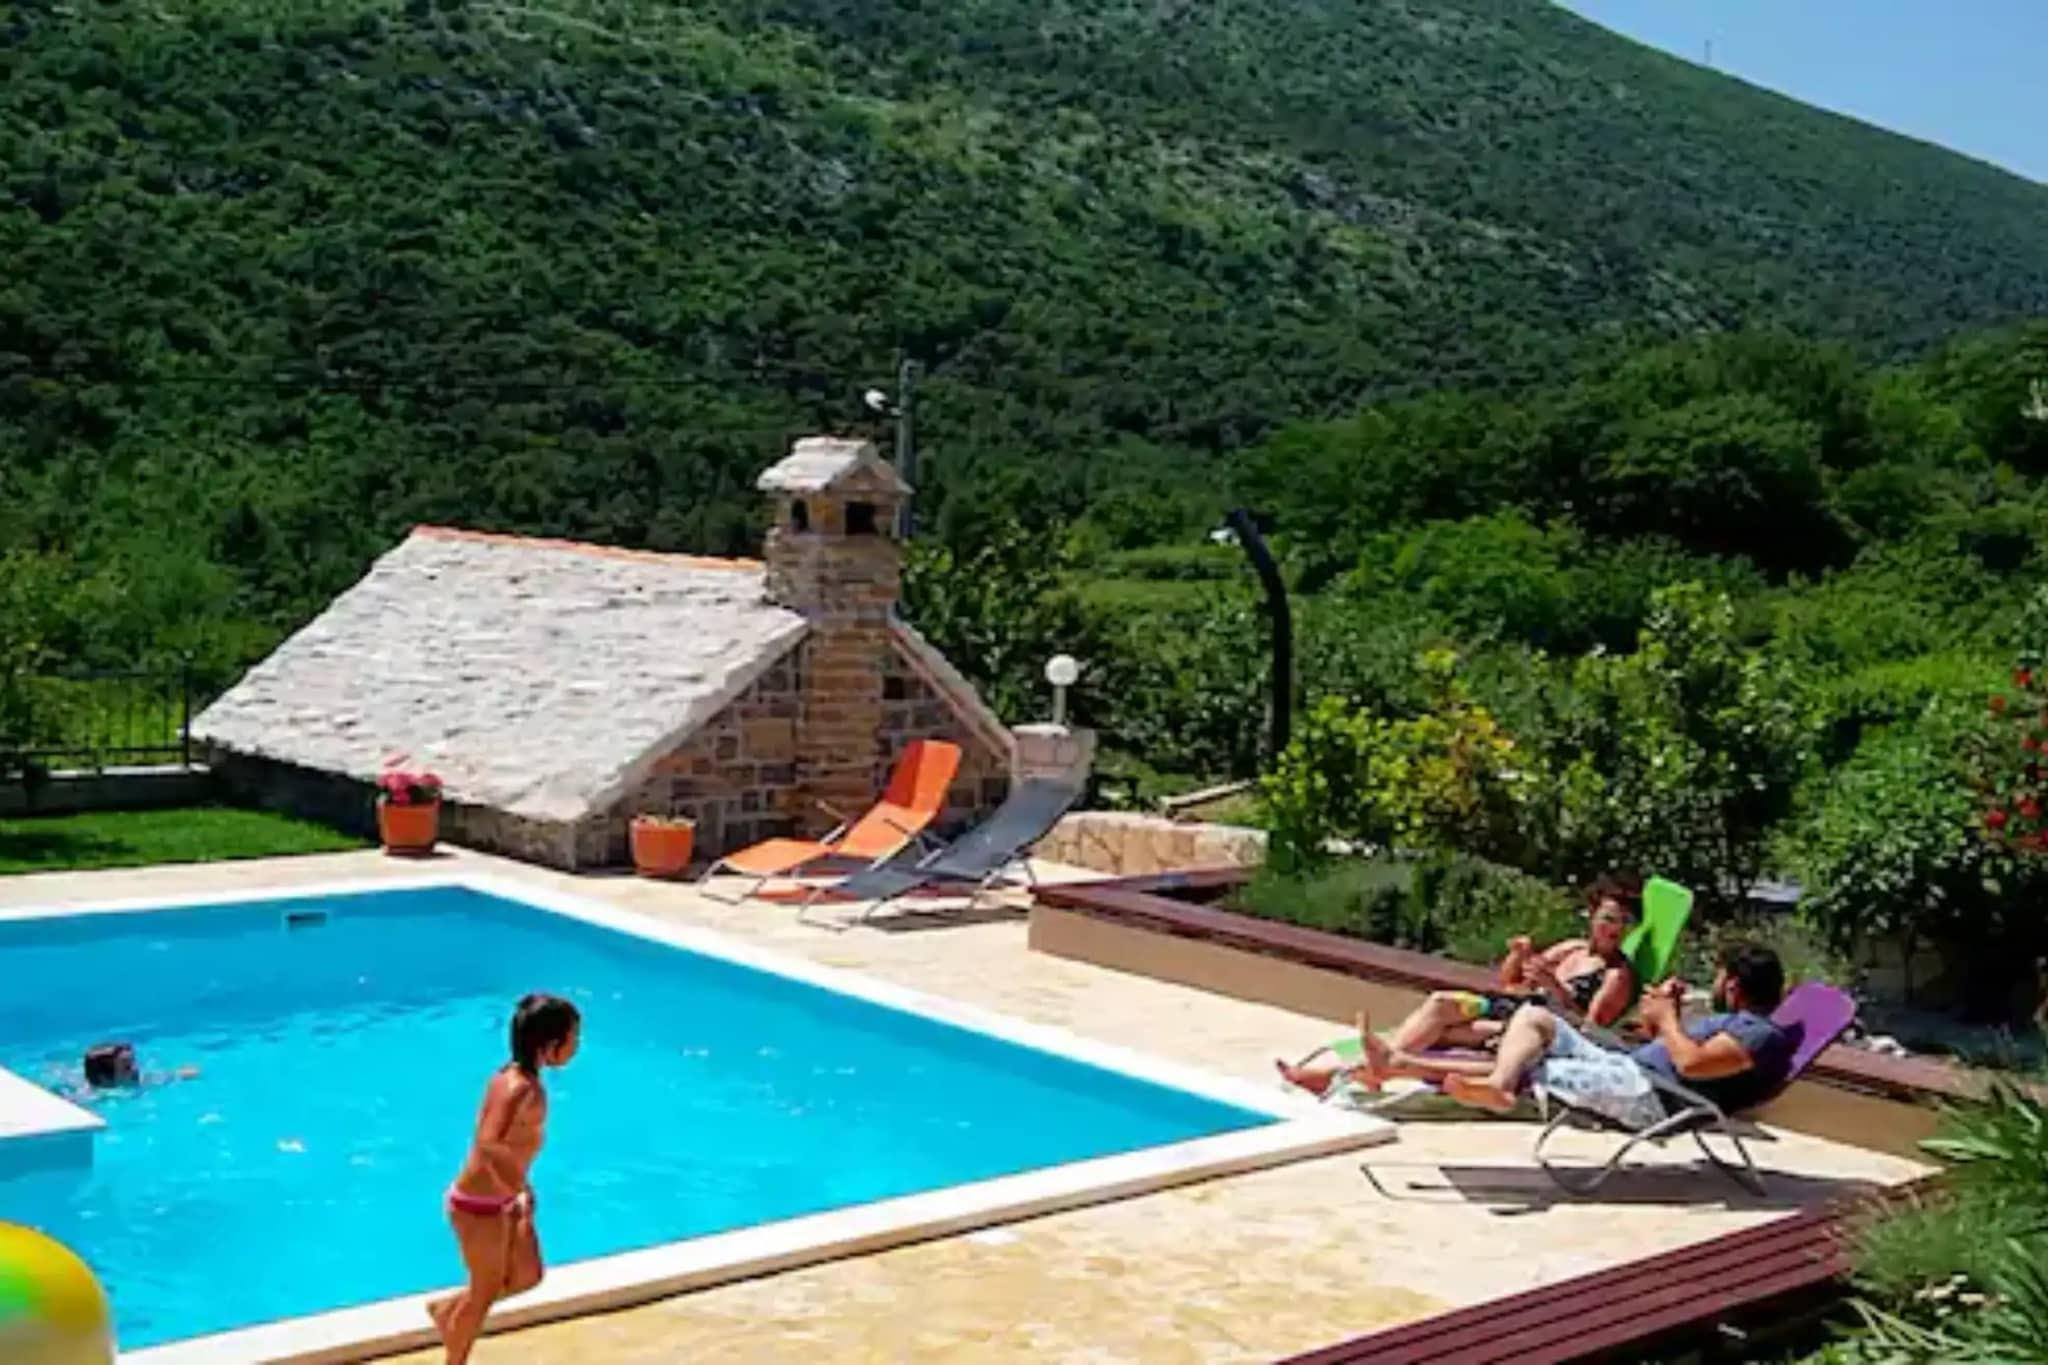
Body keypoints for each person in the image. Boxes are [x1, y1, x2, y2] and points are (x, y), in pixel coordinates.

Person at [1349, 942, 1792, 1129]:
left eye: (1719, 978)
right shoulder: (1737, 1023)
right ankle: (1418, 1069)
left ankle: (1402, 1066)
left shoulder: (1759, 1035)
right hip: (1629, 1069)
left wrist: (1669, 1018)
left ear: (1733, 986)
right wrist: (1662, 1016)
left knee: (1533, 1065)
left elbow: (1692, 1065)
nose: (1713, 985)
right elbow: (1668, 1044)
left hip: (1649, 1096)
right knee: (1534, 1017)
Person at [1276, 874, 1641, 1098]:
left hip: (1534, 1027)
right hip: (1509, 1007)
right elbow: (1510, 982)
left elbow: (1590, 1029)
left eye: (1624, 922)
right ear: (1592, 916)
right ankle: (1373, 1069)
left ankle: (1348, 1073)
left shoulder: (1617, 975)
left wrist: (1554, 987)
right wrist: (1517, 956)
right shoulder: (1570, 949)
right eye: (1609, 918)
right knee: (1440, 1004)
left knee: (1444, 1033)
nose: (1615, 928)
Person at [429, 993, 582, 1365]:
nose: (577, 1045)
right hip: (477, 1204)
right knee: (483, 1293)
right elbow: (488, 1142)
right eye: (573, 1037)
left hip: (502, 1198)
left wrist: (516, 1191)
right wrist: (520, 1186)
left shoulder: (515, 1078)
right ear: (550, 1043)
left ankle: (448, 1310)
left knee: (527, 1276)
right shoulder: (518, 1087)